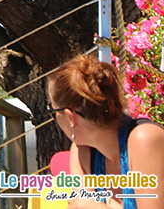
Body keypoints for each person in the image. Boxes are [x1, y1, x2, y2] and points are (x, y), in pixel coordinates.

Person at [46, 53, 164, 209]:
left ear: (70, 117)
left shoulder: (144, 139)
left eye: (52, 111)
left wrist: (92, 205)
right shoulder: (82, 152)